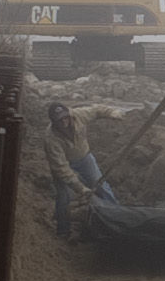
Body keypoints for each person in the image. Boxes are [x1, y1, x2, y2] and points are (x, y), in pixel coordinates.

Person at [44, 101, 130, 237]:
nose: (64, 121)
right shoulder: (51, 138)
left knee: (99, 183)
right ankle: (63, 230)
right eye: (60, 120)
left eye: (66, 117)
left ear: (69, 114)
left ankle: (118, 215)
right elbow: (62, 169)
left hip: (83, 157)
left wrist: (111, 112)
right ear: (54, 122)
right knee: (63, 194)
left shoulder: (78, 115)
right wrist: (80, 188)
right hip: (63, 163)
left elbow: (96, 110)